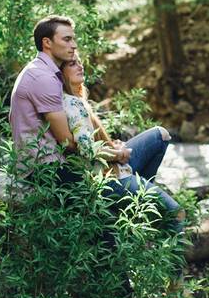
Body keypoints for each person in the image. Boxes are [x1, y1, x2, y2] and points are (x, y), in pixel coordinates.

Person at [59, 57, 185, 228]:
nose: (80, 66)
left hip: (113, 166)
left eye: (80, 62)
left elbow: (93, 141)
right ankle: (142, 207)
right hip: (106, 178)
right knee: (176, 213)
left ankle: (140, 207)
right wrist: (117, 153)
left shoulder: (79, 100)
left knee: (160, 135)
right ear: (61, 73)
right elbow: (86, 150)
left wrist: (114, 146)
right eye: (72, 64)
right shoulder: (72, 104)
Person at [8, 15, 131, 182]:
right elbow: (68, 143)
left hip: (51, 164)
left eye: (73, 39)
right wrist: (114, 154)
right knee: (130, 171)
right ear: (47, 43)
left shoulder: (42, 71)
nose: (74, 45)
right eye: (67, 39)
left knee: (141, 155)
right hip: (47, 169)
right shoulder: (44, 78)